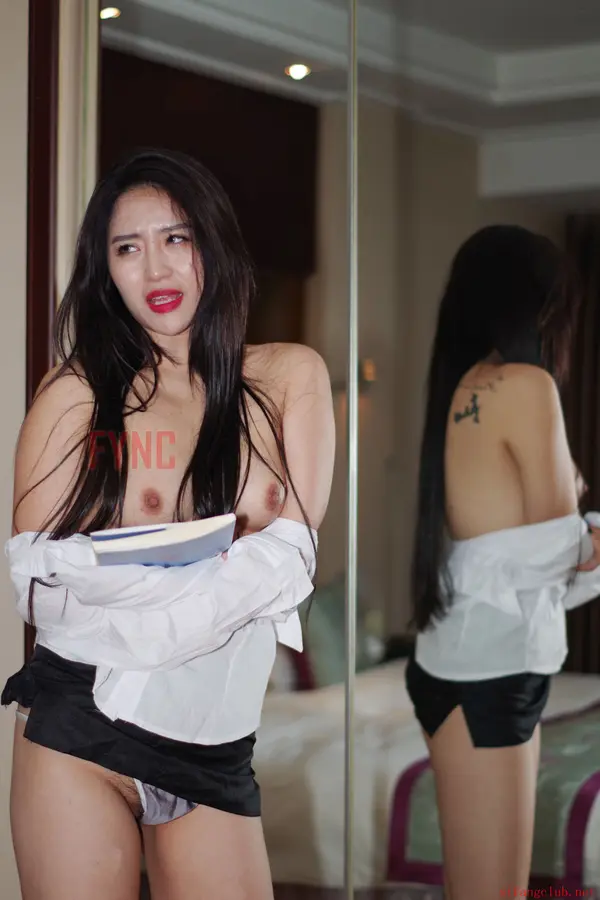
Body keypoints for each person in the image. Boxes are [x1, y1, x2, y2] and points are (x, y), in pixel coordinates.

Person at [2, 148, 335, 900]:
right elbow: (39, 586)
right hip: (85, 730)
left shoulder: (288, 378)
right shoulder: (78, 395)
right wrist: (230, 576)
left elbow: (293, 561)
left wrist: (141, 588)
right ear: (106, 270)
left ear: (212, 243)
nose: (155, 268)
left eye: (176, 238)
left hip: (215, 742)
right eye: (127, 248)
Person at [405, 224, 600, 900]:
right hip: (494, 672)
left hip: (452, 660)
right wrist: (586, 528)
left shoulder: (464, 386)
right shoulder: (526, 384)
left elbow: (513, 549)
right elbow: (562, 547)